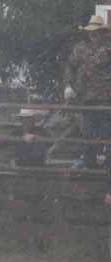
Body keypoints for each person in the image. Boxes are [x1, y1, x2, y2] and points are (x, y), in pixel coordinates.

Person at [64, 15, 111, 170]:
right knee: (88, 133)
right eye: (92, 31)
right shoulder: (80, 48)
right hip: (86, 99)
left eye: (97, 31)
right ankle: (89, 163)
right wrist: (68, 86)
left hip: (106, 99)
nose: (94, 34)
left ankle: (108, 166)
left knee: (107, 134)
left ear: (103, 32)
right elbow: (70, 67)